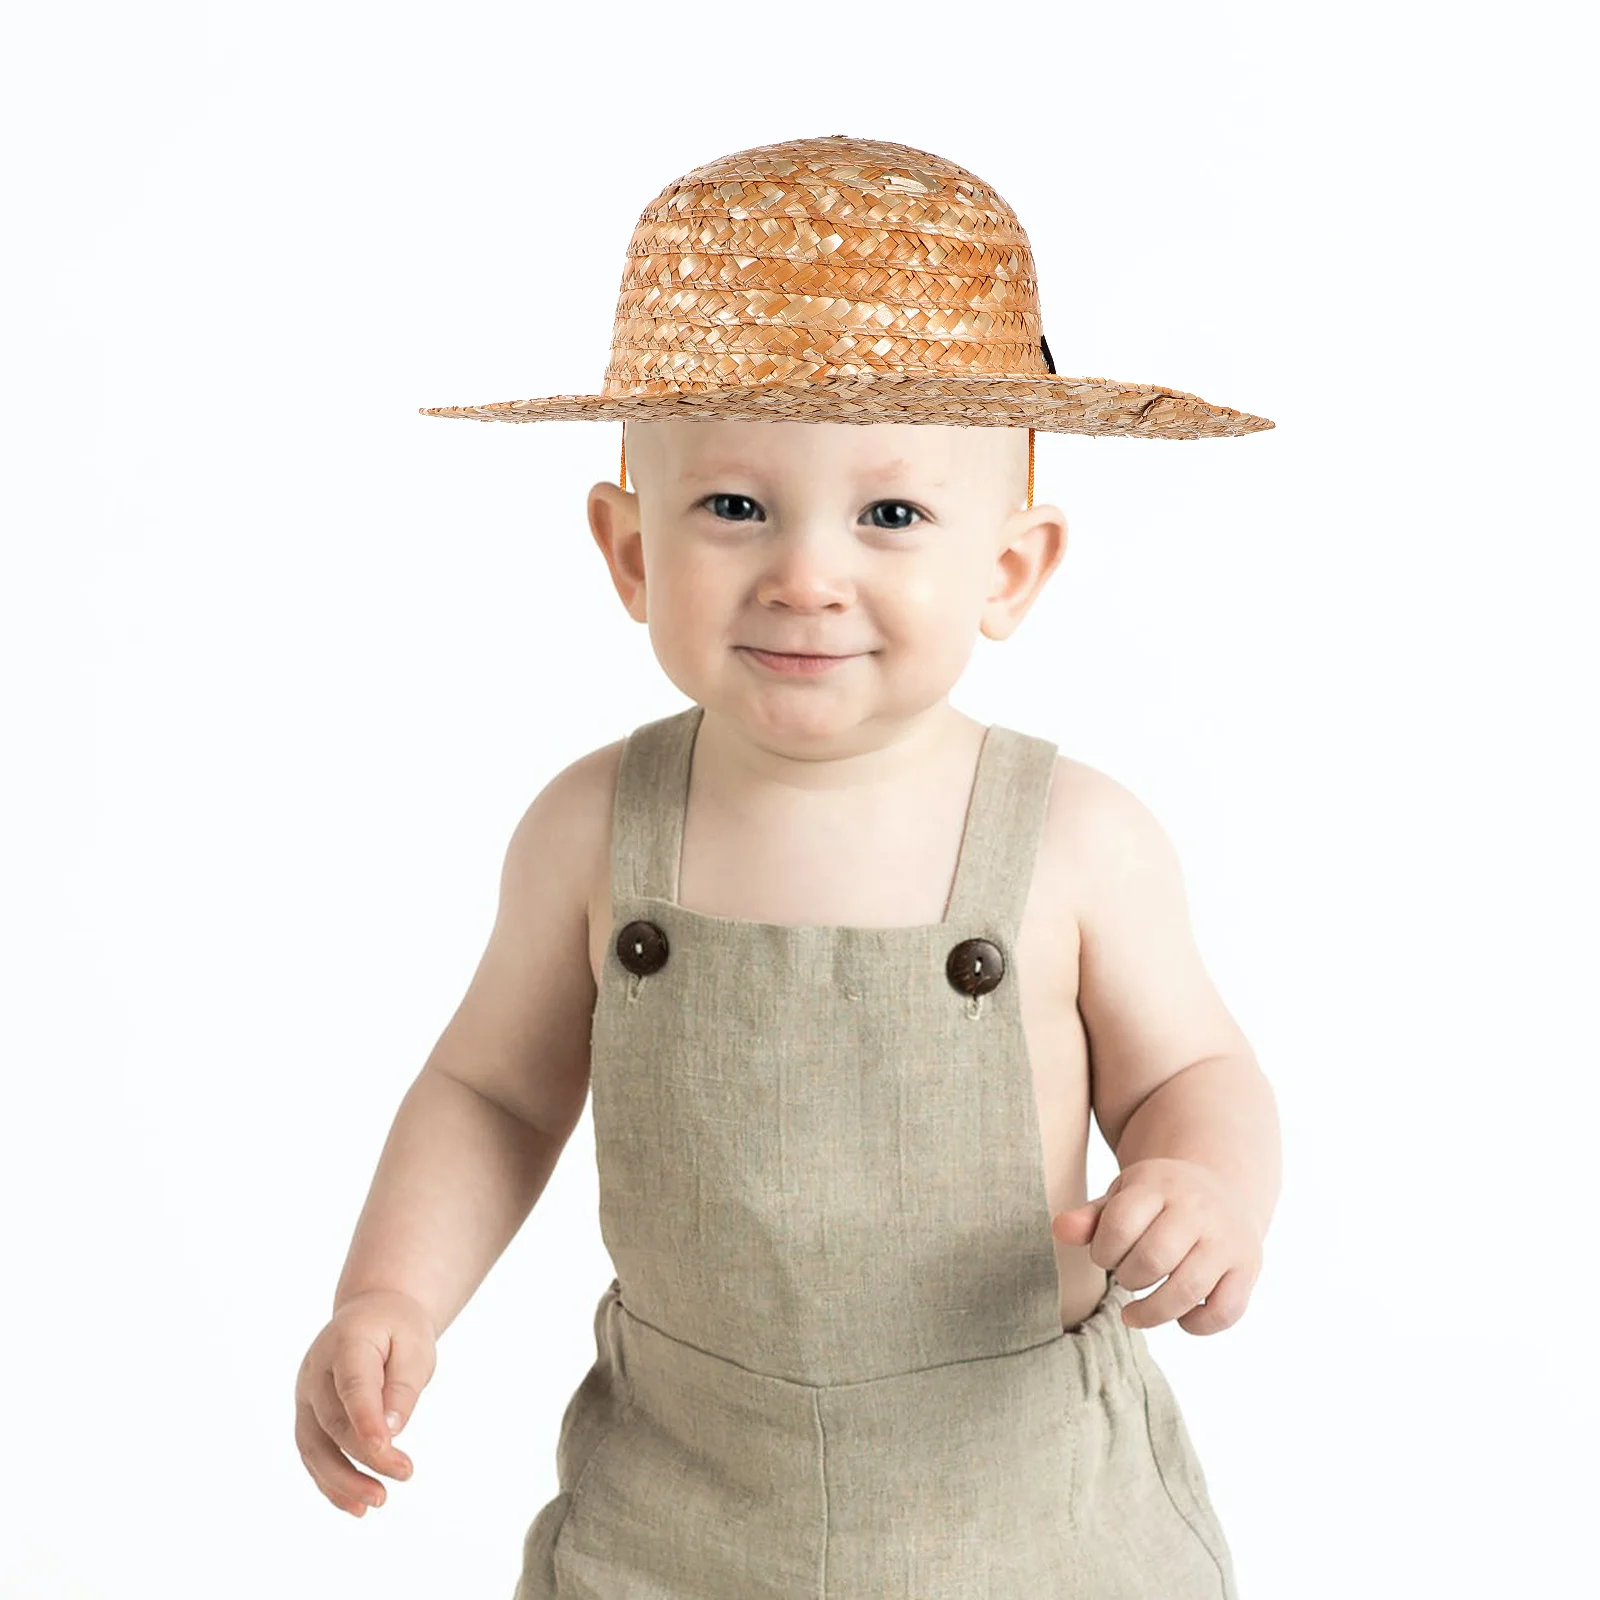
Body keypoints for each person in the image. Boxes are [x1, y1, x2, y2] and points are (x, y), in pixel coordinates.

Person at [293, 132, 1282, 1597]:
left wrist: (1205, 1183)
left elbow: (1189, 1071)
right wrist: (390, 1290)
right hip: (683, 1491)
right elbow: (492, 1092)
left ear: (1008, 568)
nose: (806, 573)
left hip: (1012, 1498)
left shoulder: (1075, 838)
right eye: (733, 507)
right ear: (628, 552)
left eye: (890, 515)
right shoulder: (594, 828)